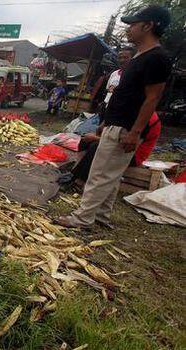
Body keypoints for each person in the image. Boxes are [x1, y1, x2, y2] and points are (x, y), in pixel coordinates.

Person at [56, 5, 172, 229]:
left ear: (148, 26)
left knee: (99, 175)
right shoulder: (140, 56)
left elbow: (152, 98)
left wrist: (135, 131)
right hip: (116, 125)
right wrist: (106, 123)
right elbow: (125, 95)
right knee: (110, 175)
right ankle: (101, 216)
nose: (128, 29)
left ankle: (82, 219)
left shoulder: (156, 58)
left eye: (133, 25)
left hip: (126, 129)